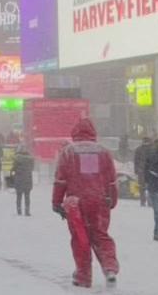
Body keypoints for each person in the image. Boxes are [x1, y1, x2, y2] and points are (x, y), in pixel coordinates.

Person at [52, 119, 119, 288]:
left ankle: (83, 276)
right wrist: (112, 199)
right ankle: (110, 268)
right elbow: (111, 180)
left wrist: (56, 202)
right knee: (101, 235)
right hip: (99, 200)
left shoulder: (68, 152)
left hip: (76, 202)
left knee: (80, 238)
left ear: (75, 134)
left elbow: (61, 180)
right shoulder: (104, 152)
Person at [12, 146, 35, 216]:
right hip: (27, 179)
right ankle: (27, 211)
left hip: (19, 179)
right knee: (27, 196)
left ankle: (19, 211)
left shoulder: (16, 159)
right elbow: (32, 168)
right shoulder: (30, 159)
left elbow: (14, 168)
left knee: (19, 196)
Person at [132, 137, 152, 207]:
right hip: (150, 171)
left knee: (142, 187)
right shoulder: (153, 149)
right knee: (150, 187)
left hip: (142, 170)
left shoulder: (139, 149)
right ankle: (150, 201)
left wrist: (136, 170)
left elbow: (136, 161)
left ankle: (142, 201)